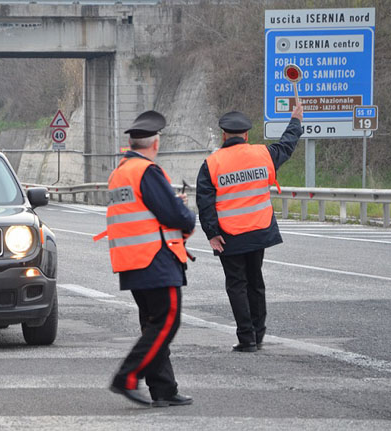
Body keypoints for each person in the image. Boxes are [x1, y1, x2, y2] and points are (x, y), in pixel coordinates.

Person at [94, 110, 196, 407]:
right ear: (156, 143)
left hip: (132, 261)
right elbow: (173, 215)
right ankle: (126, 377)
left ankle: (163, 387)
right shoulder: (147, 171)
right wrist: (186, 214)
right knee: (167, 323)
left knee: (153, 325)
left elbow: (140, 212)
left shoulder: (119, 172)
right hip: (156, 260)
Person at [195, 104, 303, 352]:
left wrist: (212, 233)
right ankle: (258, 333)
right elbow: (286, 146)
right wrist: (295, 121)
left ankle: (246, 338)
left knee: (236, 285)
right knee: (255, 282)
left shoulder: (212, 163)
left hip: (229, 236)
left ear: (224, 135)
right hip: (258, 230)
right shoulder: (262, 154)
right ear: (246, 135)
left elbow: (205, 202)